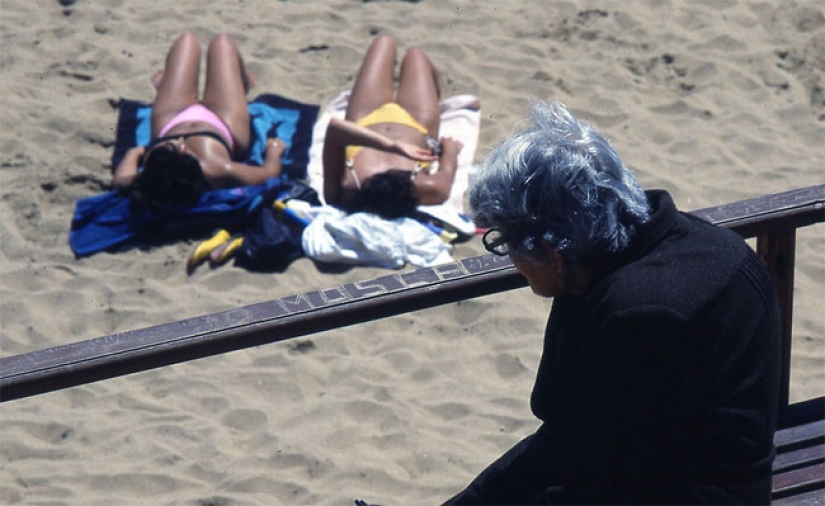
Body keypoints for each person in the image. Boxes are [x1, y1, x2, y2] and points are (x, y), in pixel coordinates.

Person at [443, 101, 780, 505]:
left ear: (553, 253)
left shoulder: (639, 315)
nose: (510, 261)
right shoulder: (700, 241)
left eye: (502, 243)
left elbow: (574, 458)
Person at [112, 32, 287, 211]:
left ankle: (166, 88)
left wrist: (135, 152)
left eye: (171, 147)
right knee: (222, 43)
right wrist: (273, 152)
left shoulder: (149, 178)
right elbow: (268, 174)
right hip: (222, 122)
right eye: (184, 152)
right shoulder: (217, 169)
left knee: (186, 40)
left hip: (171, 119)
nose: (181, 143)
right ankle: (243, 84)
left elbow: (121, 180)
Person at [322, 34, 465, 219]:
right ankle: (436, 95)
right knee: (416, 56)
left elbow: (335, 129)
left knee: (383, 41)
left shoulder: (344, 190)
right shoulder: (431, 189)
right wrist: (450, 151)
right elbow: (449, 161)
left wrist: (391, 145)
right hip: (416, 121)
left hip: (365, 118)